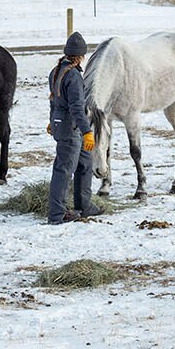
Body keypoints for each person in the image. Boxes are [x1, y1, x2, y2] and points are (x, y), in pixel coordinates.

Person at [45, 32, 100, 225]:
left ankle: (83, 205)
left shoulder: (56, 70)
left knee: (85, 163)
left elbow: (54, 99)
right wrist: (87, 132)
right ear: (80, 56)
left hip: (61, 122)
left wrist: (52, 120)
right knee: (63, 170)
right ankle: (56, 215)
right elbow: (77, 107)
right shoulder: (74, 76)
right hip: (71, 127)